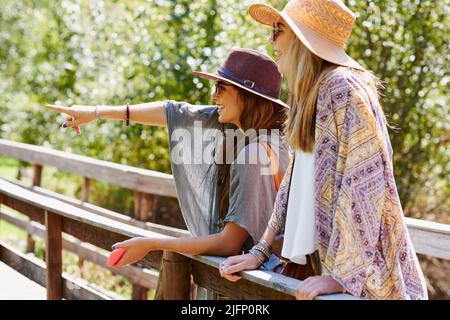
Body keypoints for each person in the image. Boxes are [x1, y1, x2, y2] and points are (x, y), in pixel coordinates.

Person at [219, 0, 428, 300]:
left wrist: (343, 277)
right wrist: (261, 250)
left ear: (304, 39)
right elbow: (294, 179)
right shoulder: (315, 92)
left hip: (367, 284)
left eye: (279, 29)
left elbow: (366, 185)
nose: (271, 39)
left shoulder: (342, 87)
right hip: (326, 269)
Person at [47, 48, 291, 267]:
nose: (214, 96)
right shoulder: (261, 134)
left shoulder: (254, 153)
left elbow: (230, 243)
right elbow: (174, 111)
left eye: (221, 88)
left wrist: (151, 243)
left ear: (246, 96)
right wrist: (96, 112)